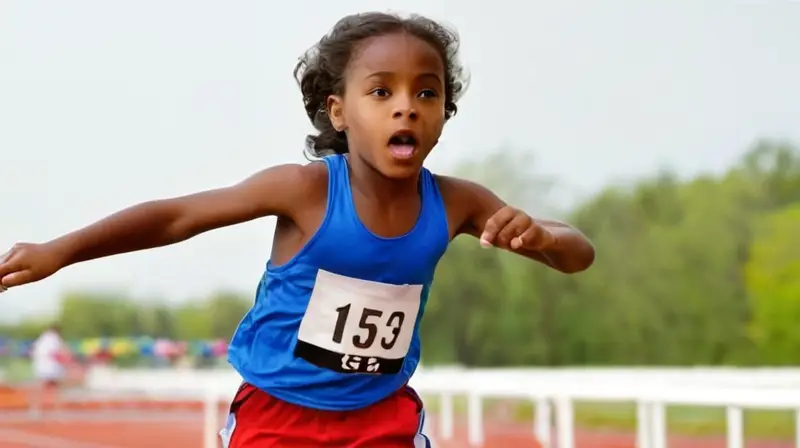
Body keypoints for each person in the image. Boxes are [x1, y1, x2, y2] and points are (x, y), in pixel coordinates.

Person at [0, 11, 595, 447]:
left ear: (444, 112)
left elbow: (577, 254)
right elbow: (176, 217)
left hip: (380, 416)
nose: (406, 106)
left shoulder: (457, 202)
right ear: (339, 111)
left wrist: (543, 238)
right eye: (381, 91)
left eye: (427, 92)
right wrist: (60, 251)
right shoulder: (307, 191)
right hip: (277, 417)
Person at [29, 324, 67, 416]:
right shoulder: (54, 339)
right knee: (54, 387)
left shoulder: (40, 340)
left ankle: (35, 408)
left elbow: (32, 352)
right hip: (51, 366)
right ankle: (57, 409)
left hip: (41, 366)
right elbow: (60, 352)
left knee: (43, 387)